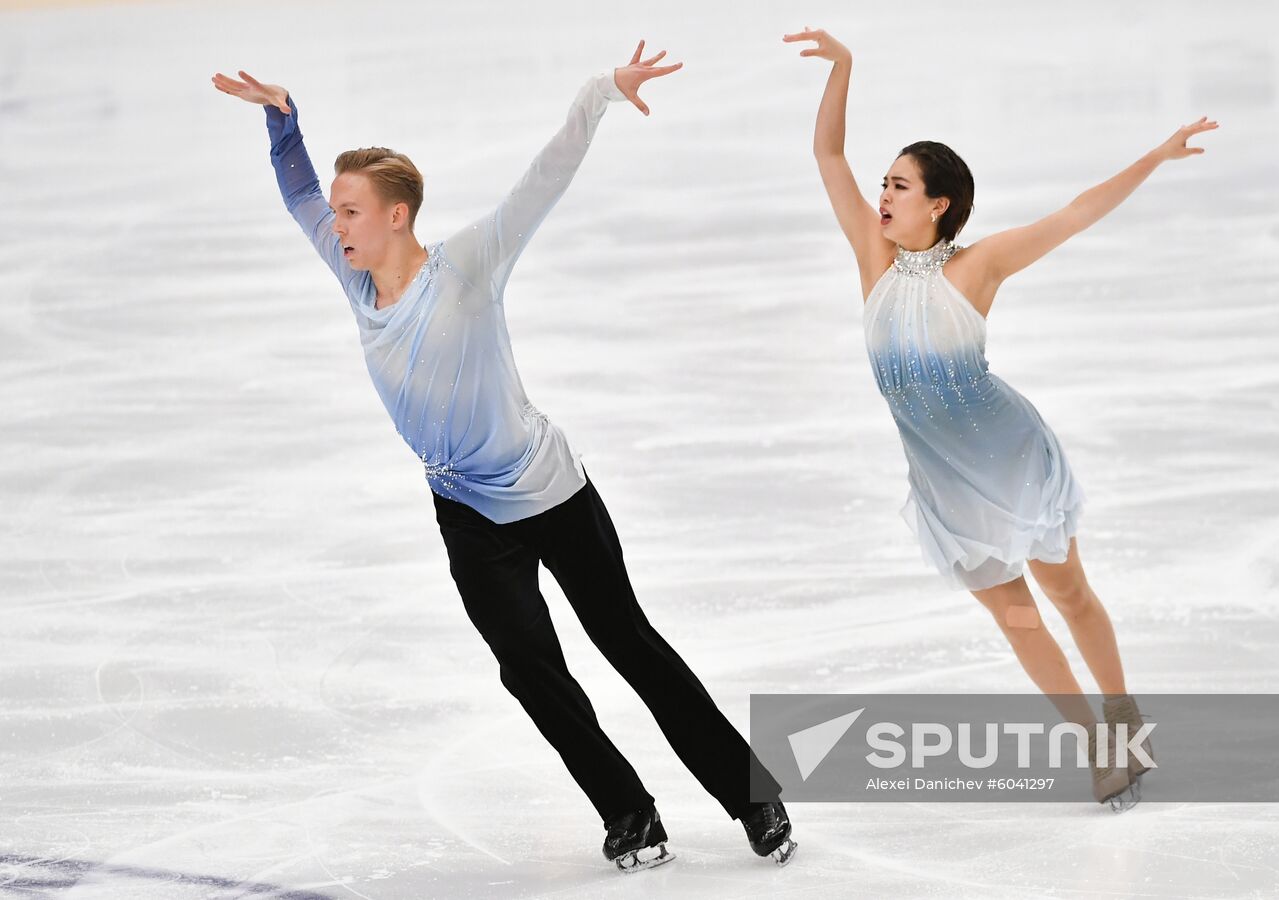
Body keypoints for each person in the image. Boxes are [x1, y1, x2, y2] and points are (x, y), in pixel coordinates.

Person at [210, 40, 796, 871]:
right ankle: (629, 811)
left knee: (628, 643)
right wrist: (282, 123)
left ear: (396, 216)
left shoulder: (468, 267)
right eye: (337, 214)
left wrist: (604, 92)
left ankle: (752, 795)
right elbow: (299, 190)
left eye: (350, 212)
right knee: (531, 673)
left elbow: (543, 180)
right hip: (466, 511)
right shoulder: (354, 279)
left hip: (551, 491)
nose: (333, 225)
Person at [784, 25, 1217, 810]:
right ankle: (1094, 741)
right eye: (884, 184)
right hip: (946, 484)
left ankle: (1123, 713)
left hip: (1013, 461)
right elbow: (827, 158)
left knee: (1070, 595)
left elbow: (1079, 212)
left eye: (900, 187)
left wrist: (1155, 157)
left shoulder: (978, 266)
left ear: (939, 205)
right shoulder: (872, 258)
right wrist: (845, 66)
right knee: (1017, 620)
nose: (881, 196)